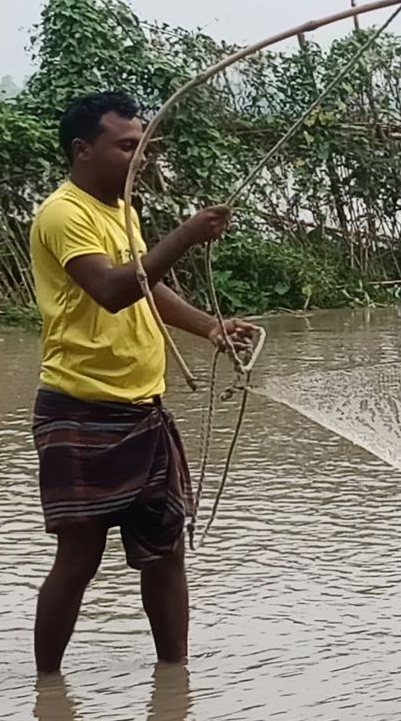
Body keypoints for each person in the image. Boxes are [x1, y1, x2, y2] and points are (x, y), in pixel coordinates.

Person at [30, 91, 254, 676]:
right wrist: (184, 235)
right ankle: (46, 687)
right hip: (78, 404)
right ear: (83, 150)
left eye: (143, 146)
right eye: (127, 146)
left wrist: (210, 327)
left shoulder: (121, 210)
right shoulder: (63, 213)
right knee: (79, 555)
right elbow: (111, 289)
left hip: (143, 407)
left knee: (165, 550)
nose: (140, 158)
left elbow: (146, 286)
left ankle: (174, 682)